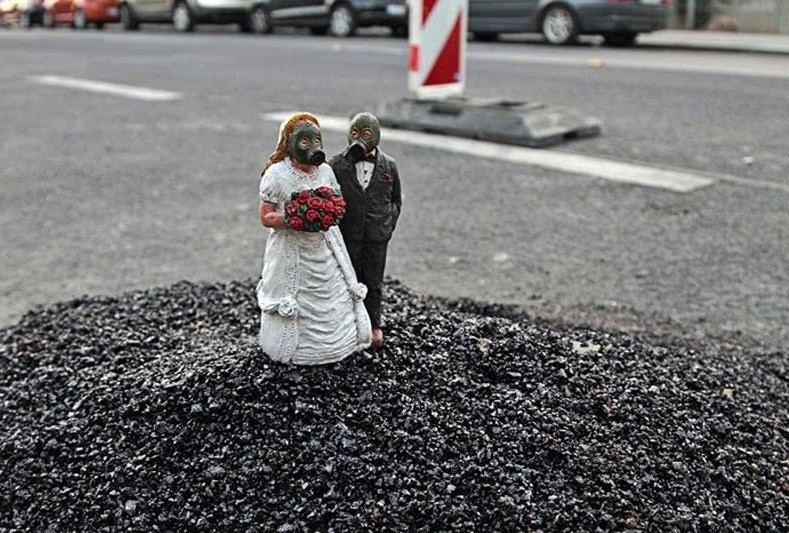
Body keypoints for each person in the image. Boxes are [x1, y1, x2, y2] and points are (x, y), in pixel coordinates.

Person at [256, 112, 372, 365]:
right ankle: (295, 351)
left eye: (316, 140)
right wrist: (295, 218)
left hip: (326, 247)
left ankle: (339, 344)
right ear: (290, 143)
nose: (312, 147)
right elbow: (266, 216)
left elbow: (338, 202)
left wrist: (328, 212)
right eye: (304, 141)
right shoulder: (276, 174)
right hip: (293, 250)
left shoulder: (326, 171)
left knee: (333, 293)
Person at [329, 112, 402, 349]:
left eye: (366, 133)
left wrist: (387, 225)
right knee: (346, 278)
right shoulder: (336, 165)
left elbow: (396, 200)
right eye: (355, 132)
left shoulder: (388, 165)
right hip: (348, 234)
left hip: (376, 235)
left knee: (374, 280)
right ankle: (345, 323)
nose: (360, 137)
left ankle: (373, 324)